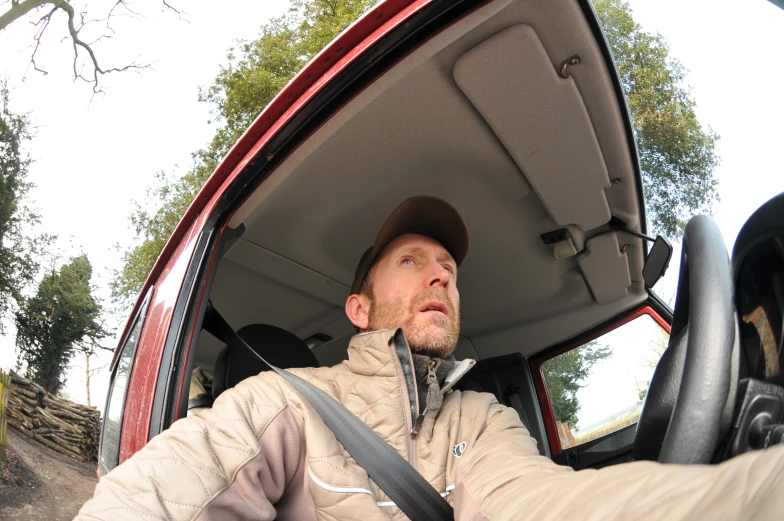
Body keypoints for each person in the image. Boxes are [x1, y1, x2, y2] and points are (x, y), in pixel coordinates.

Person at [76, 196, 784, 521]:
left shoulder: (480, 418)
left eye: (448, 267)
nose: (441, 274)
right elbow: (163, 496)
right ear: (360, 306)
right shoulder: (281, 402)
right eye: (412, 260)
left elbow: (538, 503)